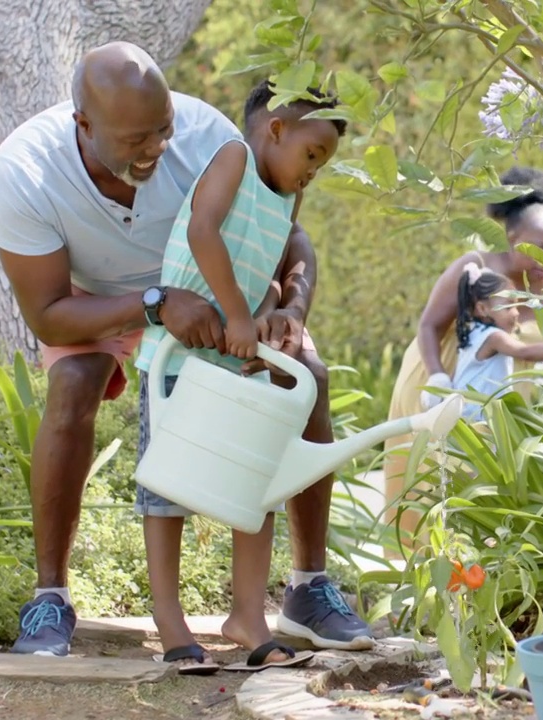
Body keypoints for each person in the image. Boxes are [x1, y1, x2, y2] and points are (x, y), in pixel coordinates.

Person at [0, 41, 374, 659]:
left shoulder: (205, 137)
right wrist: (154, 302)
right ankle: (50, 597)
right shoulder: (25, 172)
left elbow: (281, 232)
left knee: (306, 376)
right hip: (100, 303)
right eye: (136, 140)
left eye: (162, 130)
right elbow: (49, 316)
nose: (157, 149)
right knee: (75, 383)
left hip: (212, 303)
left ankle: (305, 587)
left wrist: (287, 312)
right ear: (83, 125)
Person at [129, 78, 346, 673]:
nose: (313, 171)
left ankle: (247, 616)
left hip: (236, 357)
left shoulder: (287, 199)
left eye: (323, 163)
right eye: (311, 154)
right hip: (180, 357)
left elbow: (269, 261)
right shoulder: (232, 157)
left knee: (255, 487)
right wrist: (239, 314)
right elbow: (203, 232)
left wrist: (275, 310)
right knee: (167, 490)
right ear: (276, 129)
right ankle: (169, 620)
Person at [381, 166, 543, 541]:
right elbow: (428, 326)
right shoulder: (478, 271)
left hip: (514, 414)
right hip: (450, 390)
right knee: (433, 491)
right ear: (510, 237)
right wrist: (438, 381)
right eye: (538, 247)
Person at [449, 263, 543, 423]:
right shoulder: (494, 337)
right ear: (482, 309)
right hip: (480, 420)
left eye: (516, 305)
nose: (516, 313)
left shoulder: (472, 334)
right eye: (508, 306)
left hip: (463, 418)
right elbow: (524, 352)